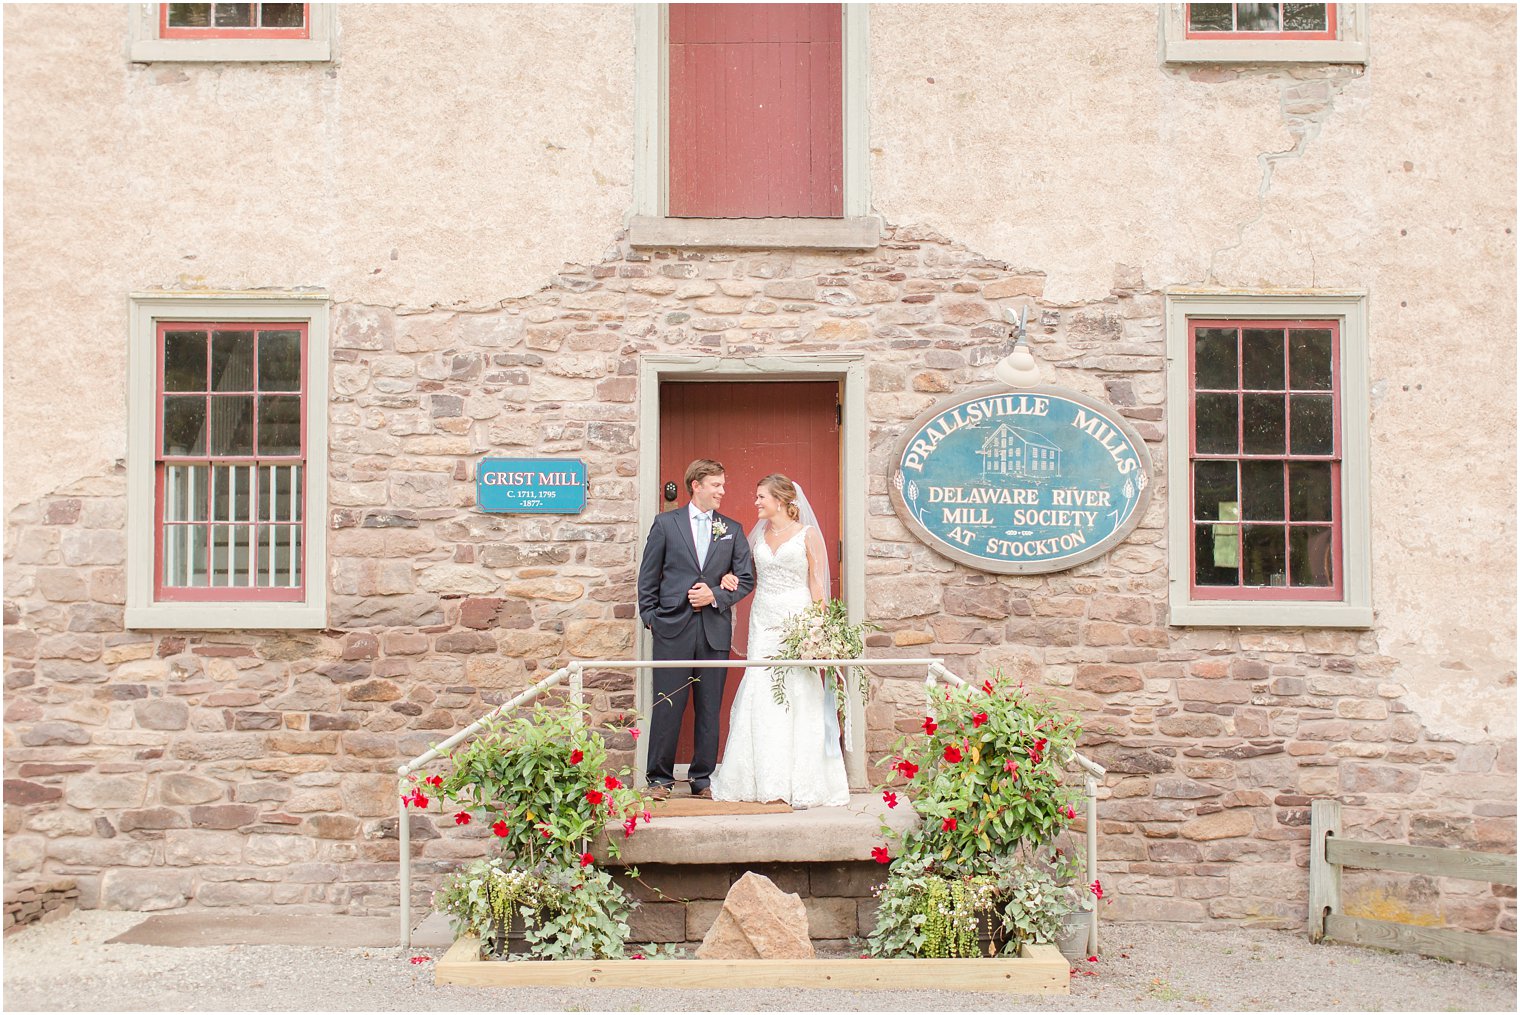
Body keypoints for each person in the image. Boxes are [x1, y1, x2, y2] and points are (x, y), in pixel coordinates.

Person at [709, 474, 850, 808]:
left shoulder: (807, 535)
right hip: (763, 619)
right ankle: (759, 778)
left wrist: (821, 630)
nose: (756, 502)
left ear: (782, 500)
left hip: (796, 618)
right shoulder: (758, 536)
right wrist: (728, 577)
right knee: (760, 687)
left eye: (761, 497)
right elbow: (746, 576)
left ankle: (801, 780)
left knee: (798, 692)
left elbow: (817, 584)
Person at [637, 459, 755, 800]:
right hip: (672, 629)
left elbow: (745, 579)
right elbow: (648, 577)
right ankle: (659, 779)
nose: (722, 491)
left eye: (722, 484)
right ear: (696, 485)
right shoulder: (665, 524)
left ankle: (702, 778)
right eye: (716, 485)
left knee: (709, 707)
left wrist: (715, 595)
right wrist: (651, 619)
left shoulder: (732, 529)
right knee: (667, 704)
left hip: (713, 632)